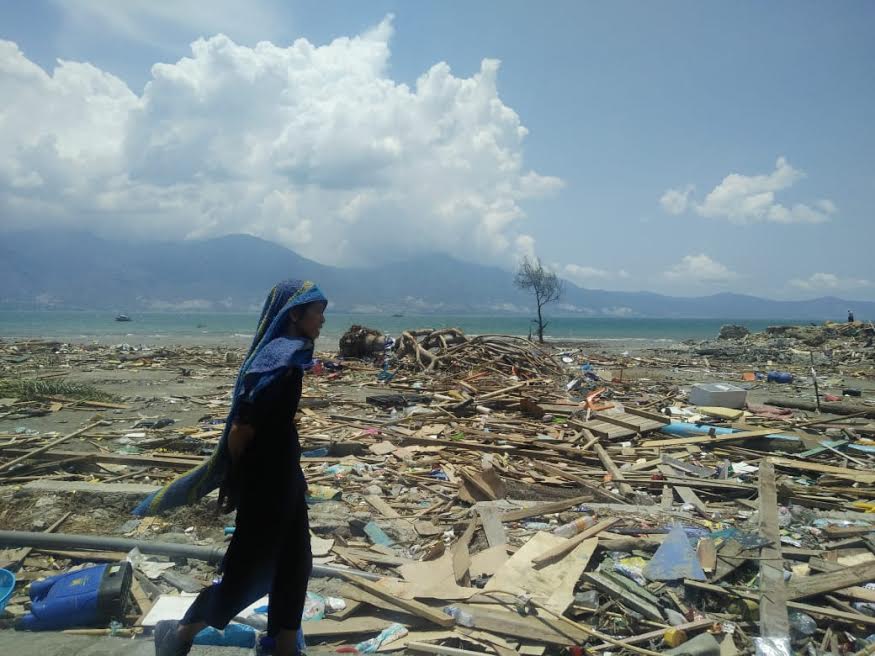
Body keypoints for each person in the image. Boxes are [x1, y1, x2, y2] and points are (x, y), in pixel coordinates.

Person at [140, 280, 327, 656]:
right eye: (317, 312)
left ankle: (283, 645)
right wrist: (241, 474)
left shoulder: (292, 355)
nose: (322, 320)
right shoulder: (275, 360)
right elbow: (242, 428)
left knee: (295, 563)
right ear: (295, 314)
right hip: (266, 482)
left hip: (285, 477)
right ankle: (179, 636)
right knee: (248, 573)